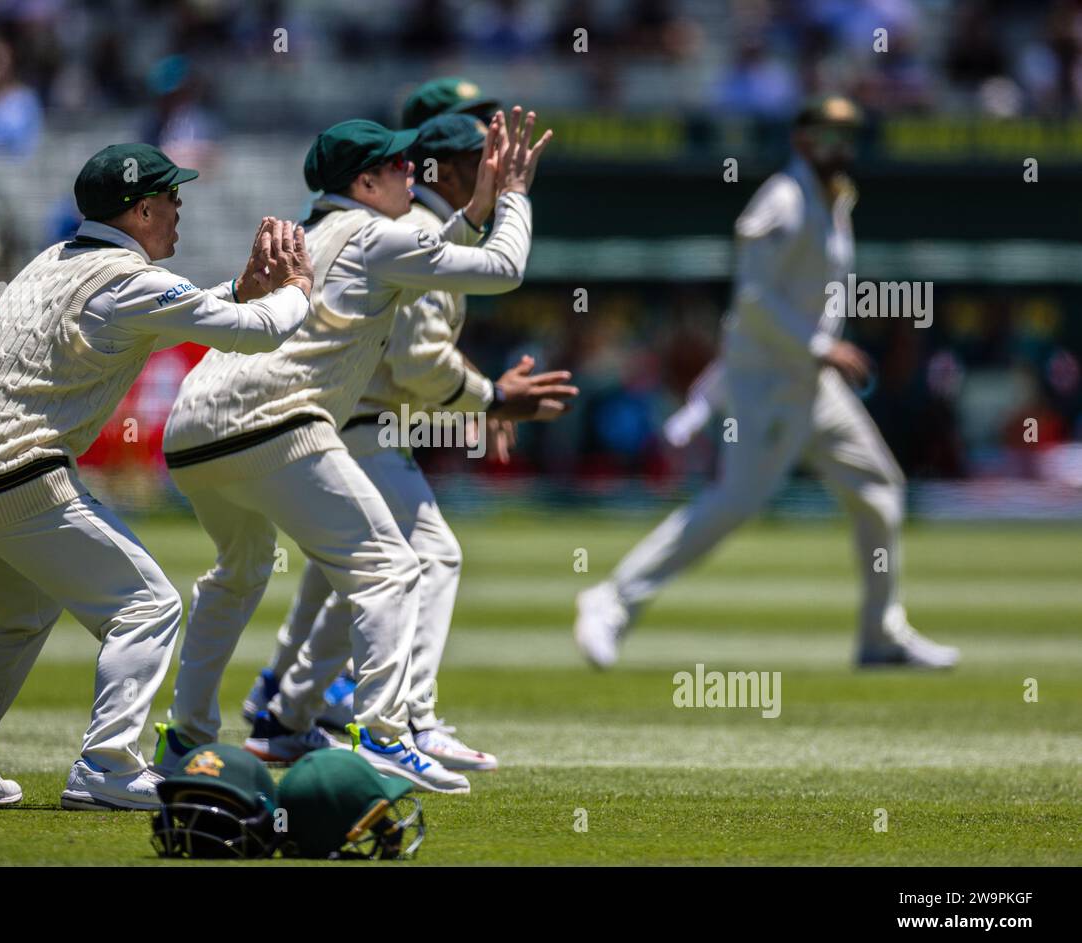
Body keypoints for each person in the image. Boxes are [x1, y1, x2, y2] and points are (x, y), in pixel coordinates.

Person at [155, 109, 555, 794]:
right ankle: (385, 735)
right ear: (366, 182)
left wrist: (477, 207)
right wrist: (514, 193)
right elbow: (502, 268)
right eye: (399, 166)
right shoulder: (375, 235)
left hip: (193, 425)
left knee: (238, 572)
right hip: (275, 421)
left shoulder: (320, 232)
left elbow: (425, 268)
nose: (413, 172)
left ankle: (186, 735)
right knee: (395, 569)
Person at [0, 143, 312, 810]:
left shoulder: (50, 264)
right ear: (142, 207)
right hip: (13, 473)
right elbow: (254, 335)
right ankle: (107, 767)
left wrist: (241, 290)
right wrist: (297, 288)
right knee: (147, 604)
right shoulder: (130, 280)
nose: (180, 209)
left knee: (22, 607)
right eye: (172, 198)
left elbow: (173, 317)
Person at [575, 96, 960, 671]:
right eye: (830, 136)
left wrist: (821, 347)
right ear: (803, 141)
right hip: (768, 386)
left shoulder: (834, 199)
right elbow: (754, 301)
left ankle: (881, 635)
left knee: (879, 490)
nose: (842, 148)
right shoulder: (782, 200)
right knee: (734, 502)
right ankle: (610, 601)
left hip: (812, 384)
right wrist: (821, 345)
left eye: (848, 137)